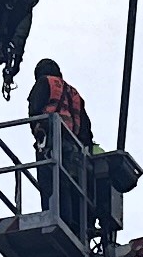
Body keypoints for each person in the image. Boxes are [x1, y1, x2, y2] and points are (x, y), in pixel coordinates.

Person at [24, 58, 113, 244]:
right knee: (69, 184)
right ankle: (73, 224)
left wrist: (38, 131)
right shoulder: (73, 92)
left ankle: (53, 218)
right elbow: (86, 127)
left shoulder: (44, 83)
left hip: (51, 140)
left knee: (51, 183)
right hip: (73, 147)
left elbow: (35, 110)